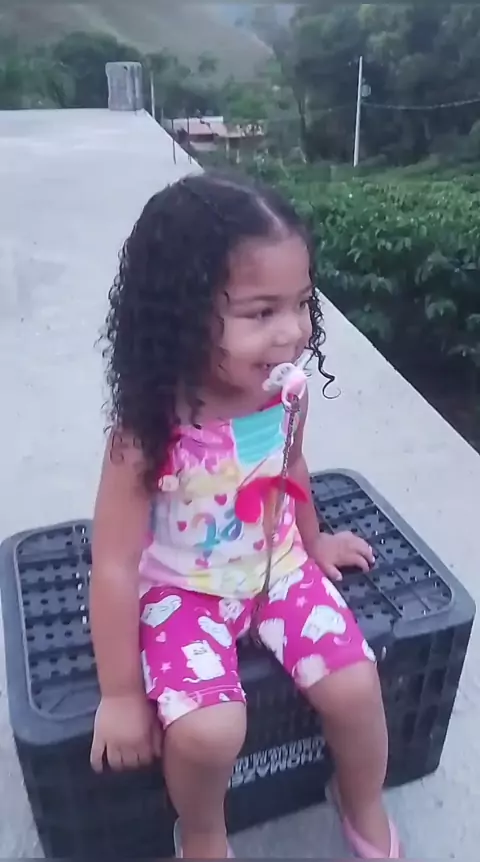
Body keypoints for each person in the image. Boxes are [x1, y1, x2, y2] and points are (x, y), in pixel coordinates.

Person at [89, 171, 401, 859]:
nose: (292, 332)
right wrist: (120, 695)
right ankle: (202, 832)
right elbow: (112, 563)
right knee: (210, 732)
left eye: (301, 304)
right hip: (183, 593)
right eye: (261, 313)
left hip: (278, 569)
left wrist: (313, 543)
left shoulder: (284, 395)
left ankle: (361, 794)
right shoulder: (148, 428)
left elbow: (291, 469)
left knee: (357, 684)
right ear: (182, 315)